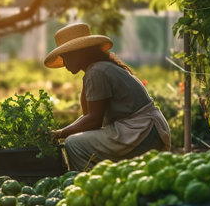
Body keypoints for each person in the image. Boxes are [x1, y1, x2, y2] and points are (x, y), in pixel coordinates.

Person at [44, 23, 171, 171]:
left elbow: (94, 121)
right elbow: (88, 116)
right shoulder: (98, 68)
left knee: (74, 144)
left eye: (66, 57)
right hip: (145, 131)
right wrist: (60, 132)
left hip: (142, 133)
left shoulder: (97, 71)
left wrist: (61, 133)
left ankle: (85, 187)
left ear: (80, 52)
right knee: (77, 138)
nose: (65, 64)